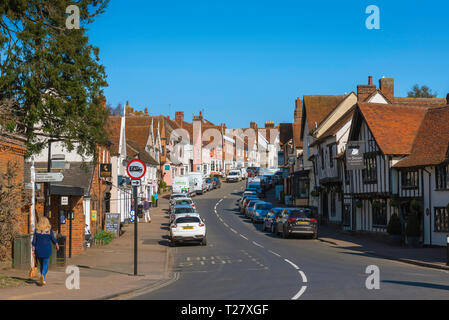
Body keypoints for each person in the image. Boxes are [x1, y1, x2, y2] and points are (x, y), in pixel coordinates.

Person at [32, 217, 59, 286]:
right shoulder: (49, 231)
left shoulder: (36, 230)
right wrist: (56, 244)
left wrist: (33, 248)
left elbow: (34, 241)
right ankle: (43, 275)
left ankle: (43, 278)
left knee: (41, 264)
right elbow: (53, 239)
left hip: (38, 249)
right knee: (46, 264)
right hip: (46, 249)